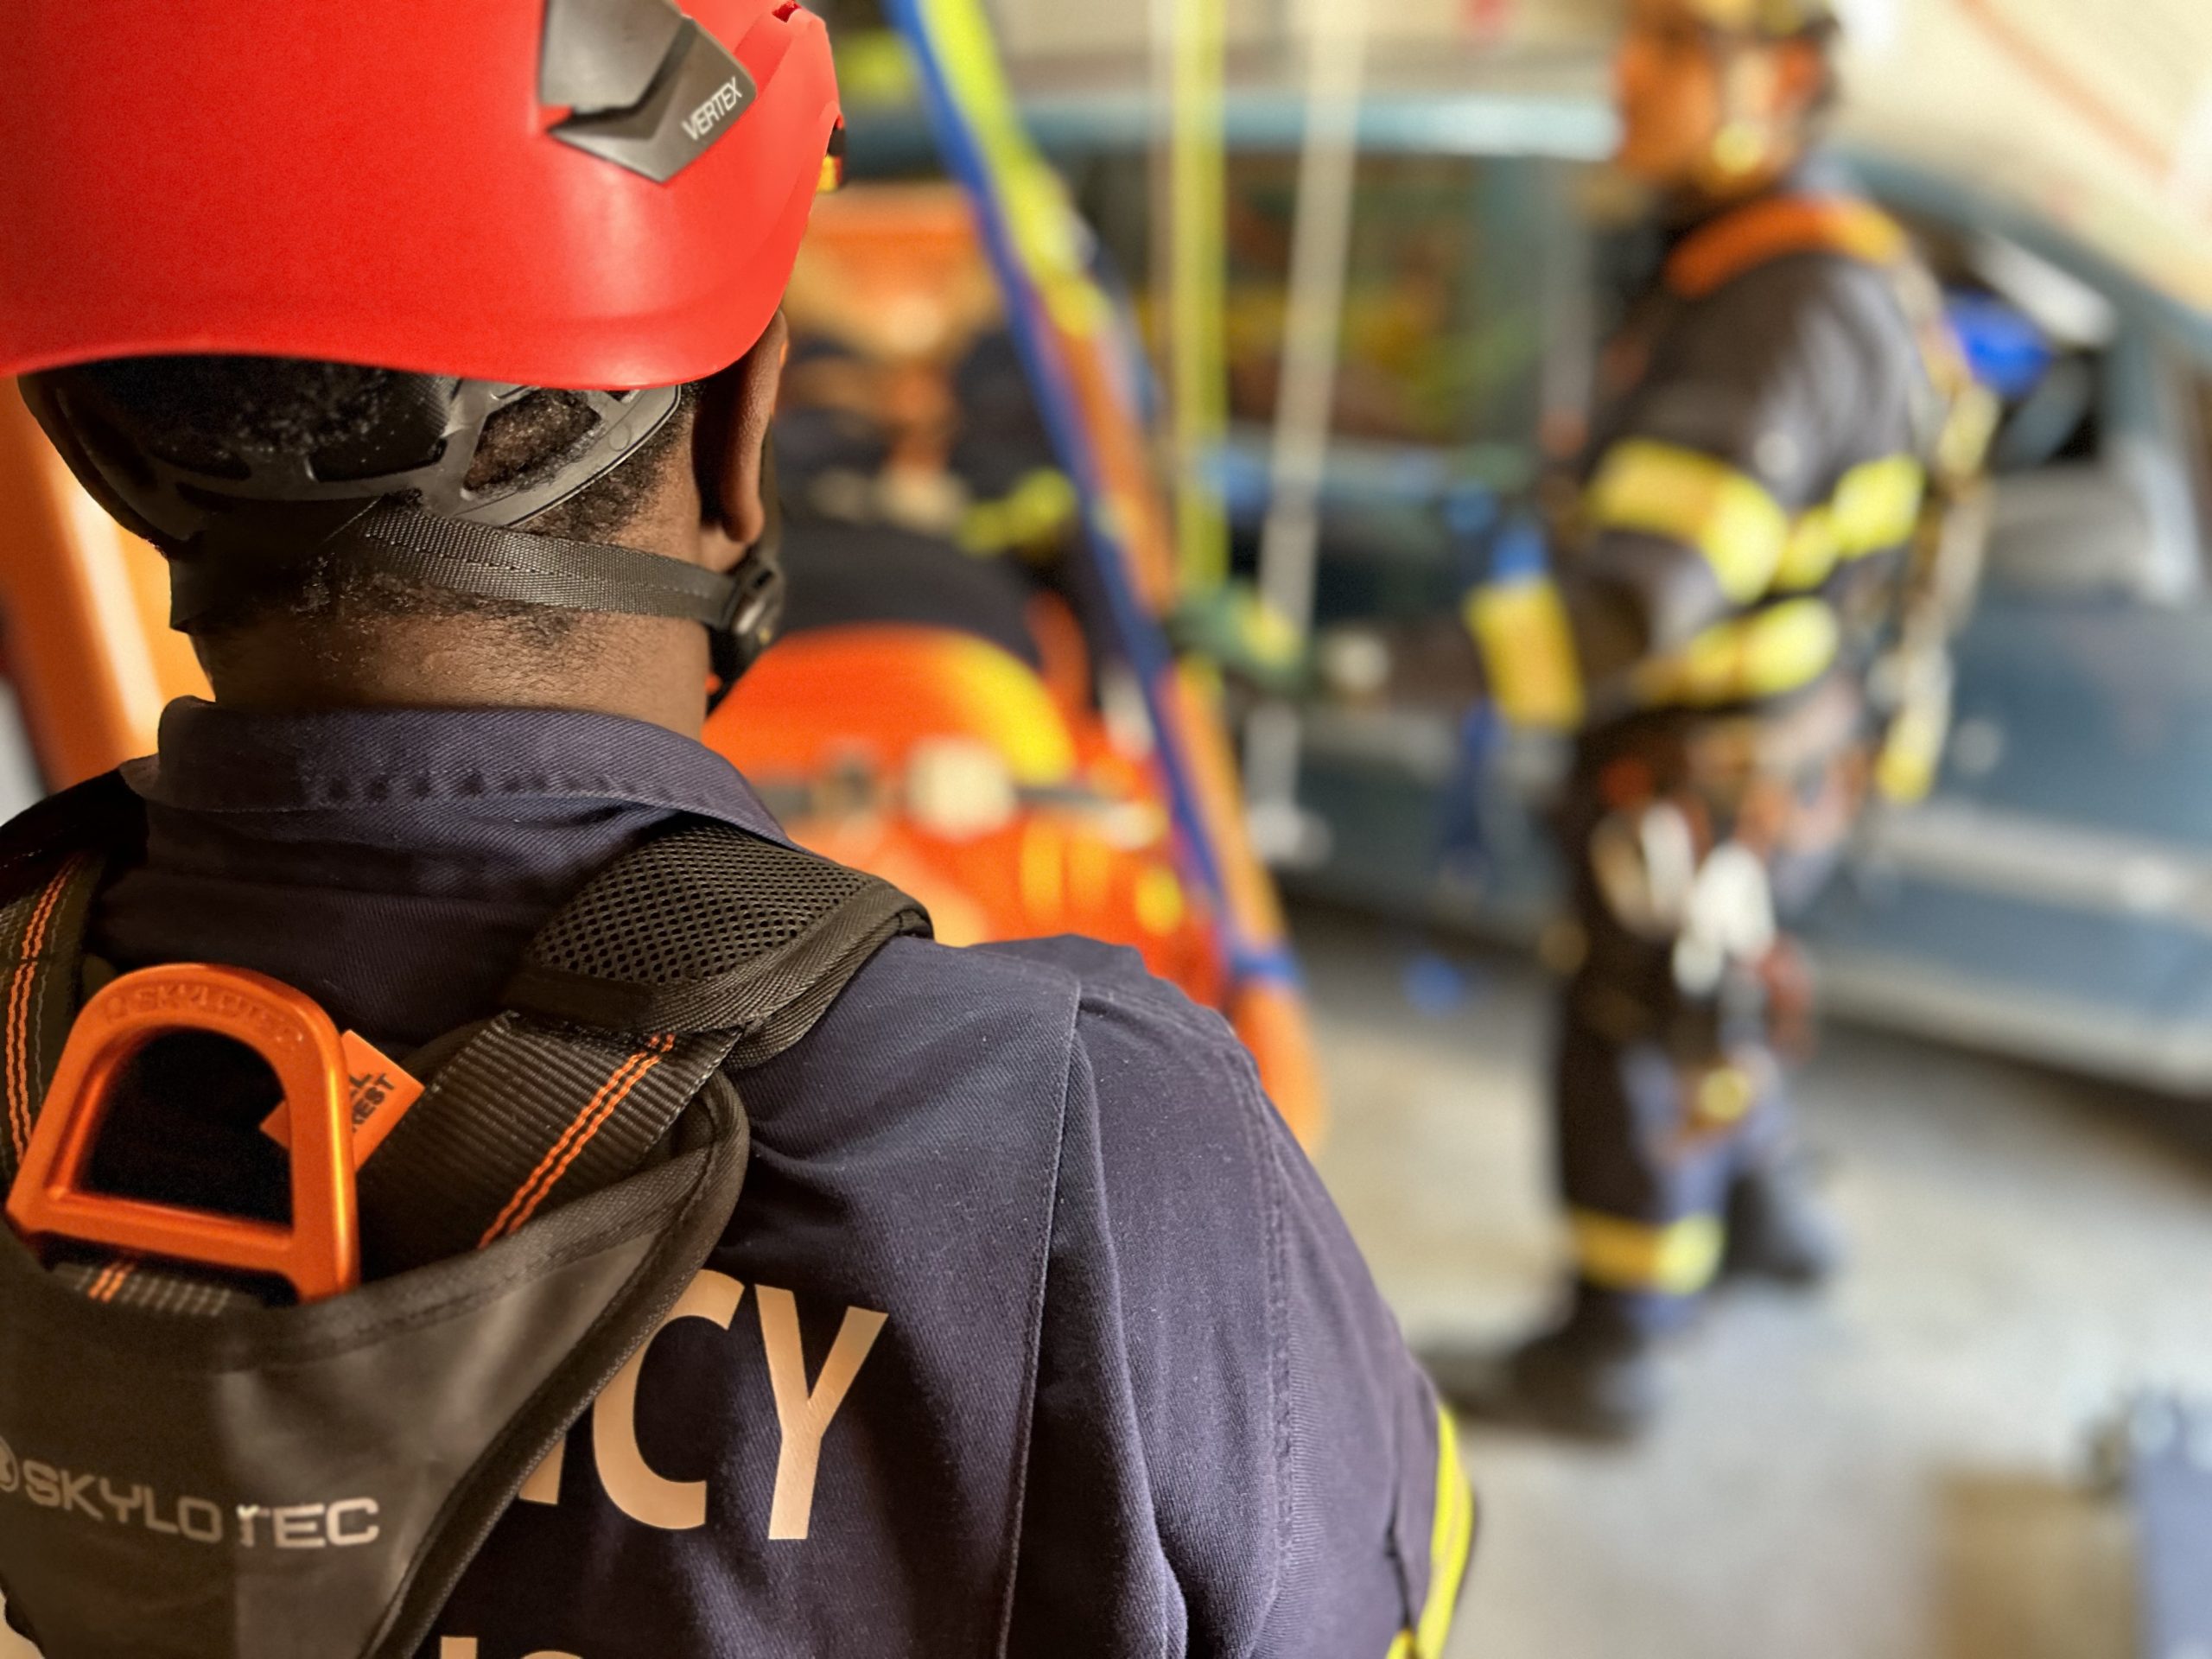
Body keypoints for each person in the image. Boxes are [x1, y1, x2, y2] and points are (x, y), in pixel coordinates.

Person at [0, 3, 1471, 1653]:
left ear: (92, 430)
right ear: (745, 422)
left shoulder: (19, 1024)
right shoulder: (1085, 1153)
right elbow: (1381, 1588)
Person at [1436, 0, 1988, 1438]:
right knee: (1715, 1004)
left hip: (1699, 770)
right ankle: (1771, 1223)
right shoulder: (1804, 250)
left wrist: (1362, 671)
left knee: (1631, 1035)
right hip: (1784, 756)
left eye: (1675, 41)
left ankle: (1607, 1355)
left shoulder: (1779, 303)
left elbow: (1621, 616)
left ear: (1790, 72)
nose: (1625, 70)